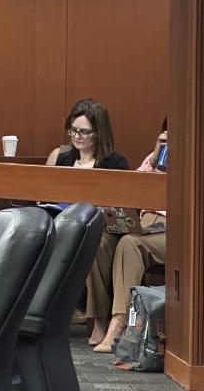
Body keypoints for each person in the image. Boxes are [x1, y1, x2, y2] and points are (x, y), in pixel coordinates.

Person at [89, 121, 168, 352]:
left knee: (130, 244)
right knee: (98, 241)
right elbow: (131, 191)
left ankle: (121, 321)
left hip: (177, 229)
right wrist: (154, 160)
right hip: (144, 222)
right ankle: (100, 320)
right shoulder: (155, 158)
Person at [46, 98, 129, 169]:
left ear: (99, 132)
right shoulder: (62, 159)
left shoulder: (117, 163)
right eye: (73, 130)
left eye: (84, 131)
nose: (77, 136)